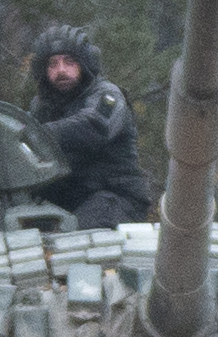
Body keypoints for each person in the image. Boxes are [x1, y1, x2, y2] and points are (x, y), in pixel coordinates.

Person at [28, 23, 153, 230]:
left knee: (74, 238)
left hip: (115, 198)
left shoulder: (107, 95)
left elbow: (95, 127)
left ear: (84, 64)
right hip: (66, 201)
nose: (61, 70)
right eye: (53, 64)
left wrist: (40, 134)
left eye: (69, 62)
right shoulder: (41, 107)